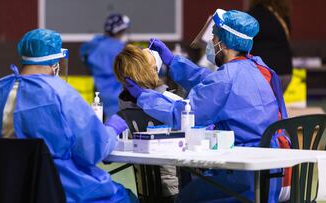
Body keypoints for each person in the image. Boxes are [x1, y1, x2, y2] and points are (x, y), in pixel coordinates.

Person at [125, 9, 289, 202]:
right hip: (275, 170)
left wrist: (144, 97)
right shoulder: (258, 67)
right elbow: (206, 81)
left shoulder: (225, 79)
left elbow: (182, 115)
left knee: (187, 197)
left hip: (247, 176)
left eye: (214, 37)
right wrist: (173, 62)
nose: (211, 41)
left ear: (223, 43)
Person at [0, 28, 138, 203]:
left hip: (5, 191)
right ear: (55, 62)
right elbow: (92, 151)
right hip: (61, 191)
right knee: (126, 196)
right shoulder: (60, 93)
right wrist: (111, 130)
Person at [114, 44, 182, 202]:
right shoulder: (173, 102)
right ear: (152, 71)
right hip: (175, 189)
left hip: (143, 187)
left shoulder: (124, 102)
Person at [80, 13, 130, 120]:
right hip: (115, 96)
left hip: (97, 91)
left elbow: (84, 57)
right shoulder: (119, 49)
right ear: (121, 31)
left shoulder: (93, 44)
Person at [248, 0, 293, 92]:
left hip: (264, 73)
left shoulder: (253, 15)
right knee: (274, 103)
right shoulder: (281, 15)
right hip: (286, 72)